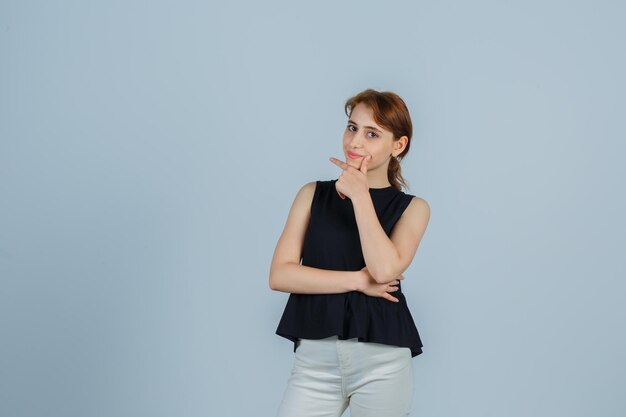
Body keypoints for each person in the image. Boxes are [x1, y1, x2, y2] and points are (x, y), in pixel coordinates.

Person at [269, 88, 431, 417]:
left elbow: (384, 270)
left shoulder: (413, 209)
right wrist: (358, 281)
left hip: (382, 363)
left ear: (398, 145)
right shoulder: (312, 194)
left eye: (372, 133)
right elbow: (280, 274)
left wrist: (360, 196)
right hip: (314, 362)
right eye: (352, 127)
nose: (355, 142)